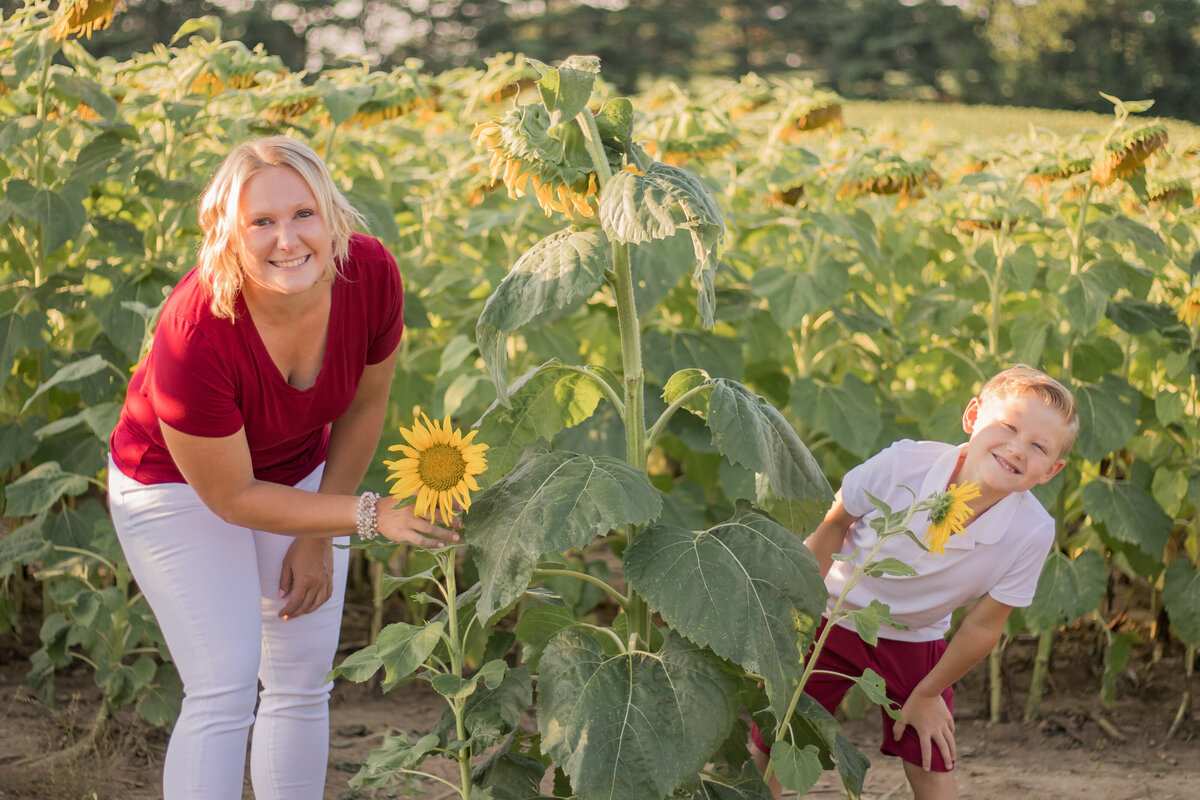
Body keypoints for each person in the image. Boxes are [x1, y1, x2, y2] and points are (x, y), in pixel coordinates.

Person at [106, 135, 457, 800]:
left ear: (333, 216)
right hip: (176, 487)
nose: (287, 240)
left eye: (303, 214)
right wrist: (366, 515)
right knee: (224, 684)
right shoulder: (197, 329)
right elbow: (233, 495)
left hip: (301, 467)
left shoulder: (371, 274)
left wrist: (318, 534)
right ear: (228, 236)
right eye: (260, 222)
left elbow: (364, 406)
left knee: (300, 678)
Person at [752, 365, 1077, 800]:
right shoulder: (903, 465)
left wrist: (929, 694)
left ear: (1050, 471)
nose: (1017, 449)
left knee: (931, 753)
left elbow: (983, 625)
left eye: (1037, 446)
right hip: (830, 615)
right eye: (1008, 426)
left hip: (914, 638)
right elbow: (833, 525)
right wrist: (789, 625)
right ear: (973, 416)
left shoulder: (1031, 531)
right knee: (778, 738)